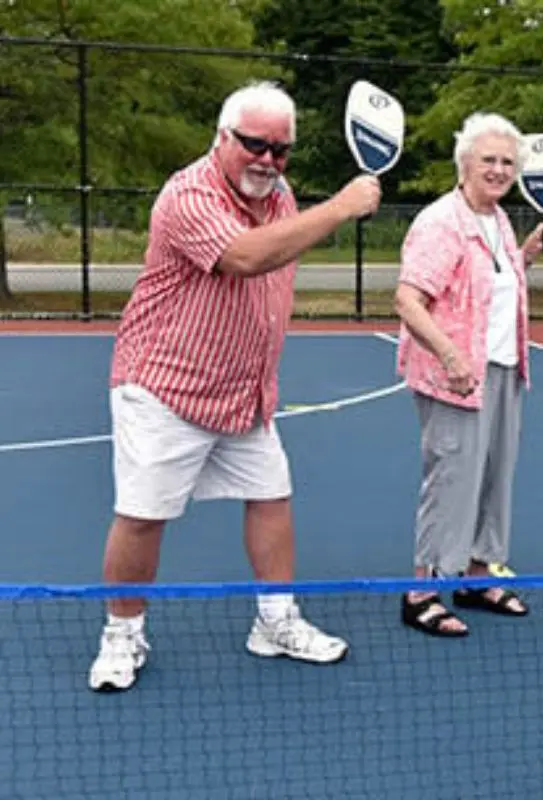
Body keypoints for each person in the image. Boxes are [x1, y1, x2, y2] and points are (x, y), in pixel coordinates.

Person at [87, 81, 382, 692]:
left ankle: (275, 621)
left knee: (272, 498)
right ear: (223, 138)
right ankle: (122, 634)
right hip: (166, 387)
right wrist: (340, 207)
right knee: (143, 516)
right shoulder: (187, 193)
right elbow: (244, 257)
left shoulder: (281, 197)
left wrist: (312, 210)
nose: (268, 161)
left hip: (243, 394)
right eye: (255, 145)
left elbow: (275, 252)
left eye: (281, 151)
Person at [392, 112, 543, 637]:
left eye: (508, 162)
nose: (499, 169)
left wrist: (527, 253)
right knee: (451, 479)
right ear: (465, 163)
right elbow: (408, 299)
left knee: (494, 475)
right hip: (456, 377)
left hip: (504, 368)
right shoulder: (442, 222)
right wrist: (450, 356)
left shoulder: (498, 220)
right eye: (488, 159)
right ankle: (421, 591)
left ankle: (477, 574)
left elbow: (491, 284)